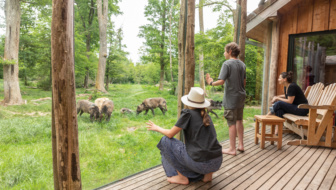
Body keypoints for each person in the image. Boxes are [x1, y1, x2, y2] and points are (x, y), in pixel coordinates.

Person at [146, 87, 223, 185]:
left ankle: (182, 178)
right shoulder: (206, 115)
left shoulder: (188, 113)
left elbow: (170, 134)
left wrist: (156, 127)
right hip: (217, 162)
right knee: (201, 147)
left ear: (189, 102)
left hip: (200, 164)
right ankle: (207, 176)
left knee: (165, 141)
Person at [206, 42, 246, 156]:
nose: (224, 53)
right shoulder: (242, 65)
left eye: (225, 51)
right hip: (241, 96)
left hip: (231, 98)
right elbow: (244, 82)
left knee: (231, 122)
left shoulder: (227, 64)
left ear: (229, 52)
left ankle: (232, 149)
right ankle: (241, 145)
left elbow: (221, 81)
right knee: (239, 120)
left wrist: (211, 82)